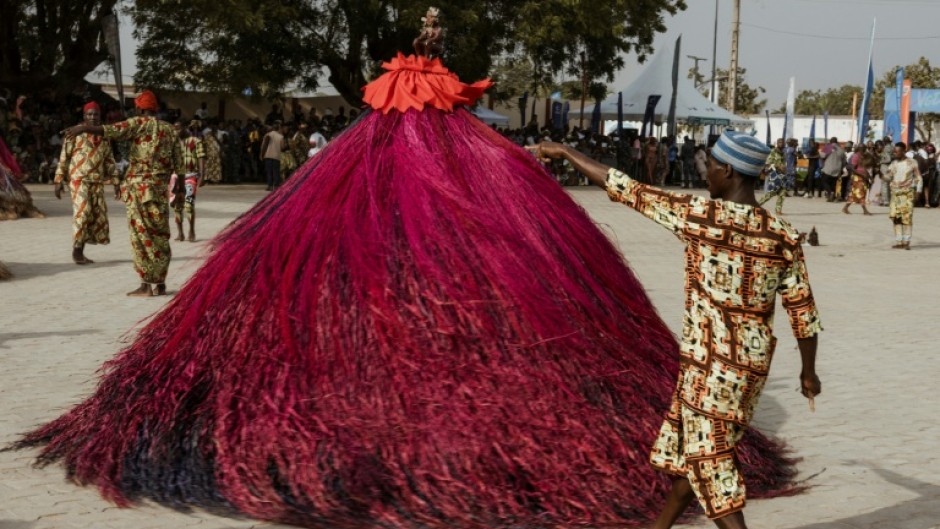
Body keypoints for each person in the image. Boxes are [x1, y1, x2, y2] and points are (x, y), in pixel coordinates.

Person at [530, 130, 822, 529]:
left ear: (731, 172)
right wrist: (809, 371)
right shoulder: (782, 235)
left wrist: (564, 150)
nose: (707, 175)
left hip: (713, 364)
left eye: (713, 168)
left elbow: (625, 188)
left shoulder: (702, 217)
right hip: (748, 365)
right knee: (692, 452)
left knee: (708, 458)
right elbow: (802, 311)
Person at [63, 90, 182, 297]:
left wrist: (83, 128)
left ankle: (146, 285)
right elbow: (180, 163)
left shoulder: (137, 123)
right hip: (160, 189)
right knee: (160, 235)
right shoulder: (170, 130)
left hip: (138, 189)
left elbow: (111, 130)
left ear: (139, 108)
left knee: (141, 236)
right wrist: (178, 188)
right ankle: (160, 283)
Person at [53, 101, 119, 264]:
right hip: (78, 180)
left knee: (93, 216)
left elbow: (109, 160)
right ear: (84, 116)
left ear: (100, 115)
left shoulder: (104, 135)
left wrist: (116, 181)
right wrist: (58, 180)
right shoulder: (74, 133)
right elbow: (64, 157)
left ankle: (81, 251)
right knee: (83, 213)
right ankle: (76, 251)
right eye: (89, 114)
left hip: (97, 181)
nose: (93, 117)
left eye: (95, 114)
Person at [882, 142, 923, 250]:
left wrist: (918, 191)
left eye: (897, 151)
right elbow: (888, 176)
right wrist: (881, 175)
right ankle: (899, 241)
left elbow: (919, 177)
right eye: (894, 151)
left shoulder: (912, 162)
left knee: (907, 218)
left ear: (903, 151)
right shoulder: (894, 163)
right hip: (895, 194)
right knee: (896, 218)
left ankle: (907, 242)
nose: (894, 153)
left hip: (907, 193)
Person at [172, 120, 205, 242]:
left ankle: (191, 231)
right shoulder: (172, 143)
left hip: (190, 175)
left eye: (179, 128)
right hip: (175, 177)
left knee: (189, 205)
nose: (176, 131)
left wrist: (202, 175)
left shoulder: (196, 142)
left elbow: (201, 157)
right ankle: (180, 233)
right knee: (176, 206)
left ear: (185, 128)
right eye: (174, 129)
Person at [760, 138, 788, 215]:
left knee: (782, 193)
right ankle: (757, 205)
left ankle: (778, 210)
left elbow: (784, 164)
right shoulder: (773, 152)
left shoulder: (783, 153)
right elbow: (767, 164)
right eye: (779, 142)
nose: (781, 143)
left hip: (782, 176)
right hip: (775, 176)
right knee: (770, 194)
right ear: (777, 143)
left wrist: (784, 169)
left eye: (782, 142)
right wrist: (777, 166)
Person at [842, 144, 873, 215]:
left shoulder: (863, 156)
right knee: (860, 193)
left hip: (863, 177)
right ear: (859, 148)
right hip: (857, 177)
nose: (865, 149)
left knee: (855, 194)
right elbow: (852, 168)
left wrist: (869, 177)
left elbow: (864, 168)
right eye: (863, 148)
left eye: (865, 148)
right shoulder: (855, 156)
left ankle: (845, 208)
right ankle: (865, 210)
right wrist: (862, 175)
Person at [260, 121, 285, 191]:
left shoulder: (267, 135)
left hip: (268, 155)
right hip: (276, 156)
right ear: (278, 129)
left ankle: (269, 186)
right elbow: (282, 147)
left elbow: (263, 145)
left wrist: (262, 154)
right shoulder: (281, 136)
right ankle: (276, 186)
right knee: (276, 171)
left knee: (269, 171)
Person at [820, 137, 845, 202]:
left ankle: (830, 192)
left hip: (828, 168)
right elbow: (844, 161)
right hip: (837, 169)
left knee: (824, 181)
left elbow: (822, 156)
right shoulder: (841, 150)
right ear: (836, 142)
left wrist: (820, 152)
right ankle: (832, 197)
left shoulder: (828, 147)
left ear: (830, 141)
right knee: (833, 183)